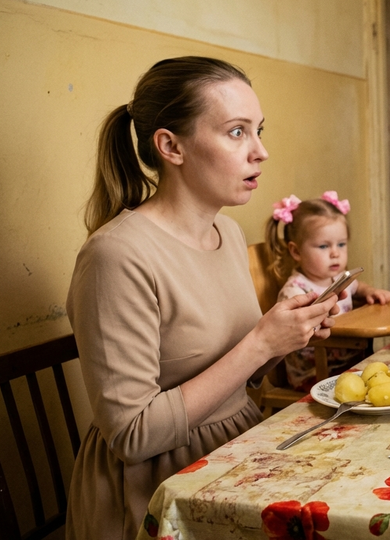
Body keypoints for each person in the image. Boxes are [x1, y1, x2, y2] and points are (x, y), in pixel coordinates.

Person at [66, 57, 342, 540]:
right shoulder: (115, 256)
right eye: (237, 132)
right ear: (171, 146)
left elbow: (232, 372)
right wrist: (260, 343)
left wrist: (284, 337)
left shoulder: (228, 233)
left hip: (237, 456)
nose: (261, 152)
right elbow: (133, 436)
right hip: (159, 492)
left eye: (259, 130)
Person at [265, 191, 390, 390]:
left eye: (341, 244)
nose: (335, 253)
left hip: (351, 364)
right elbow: (294, 333)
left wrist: (370, 292)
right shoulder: (295, 292)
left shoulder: (339, 278)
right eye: (324, 246)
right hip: (316, 373)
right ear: (296, 251)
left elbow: (357, 287)